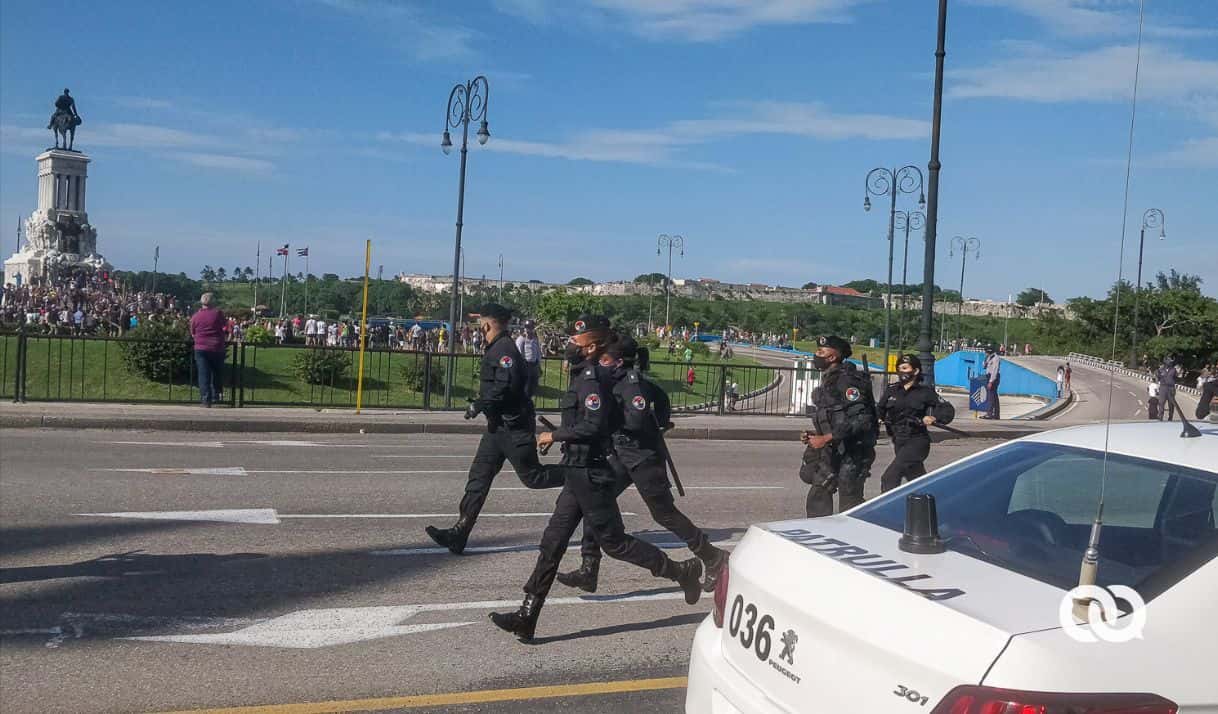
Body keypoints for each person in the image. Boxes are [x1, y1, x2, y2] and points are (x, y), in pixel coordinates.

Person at [489, 316, 703, 642]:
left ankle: (681, 571)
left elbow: (595, 426)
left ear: (590, 346)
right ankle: (527, 615)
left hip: (591, 473)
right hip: (576, 472)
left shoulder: (592, 380)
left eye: (577, 340)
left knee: (614, 543)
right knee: (553, 542)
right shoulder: (583, 377)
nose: (570, 344)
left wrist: (554, 436)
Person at [555, 336, 728, 595]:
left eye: (605, 359)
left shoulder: (631, 383)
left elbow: (637, 418)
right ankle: (589, 567)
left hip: (643, 458)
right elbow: (659, 398)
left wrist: (651, 422)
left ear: (618, 362)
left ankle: (712, 556)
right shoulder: (612, 382)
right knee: (596, 502)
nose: (601, 364)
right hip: (622, 457)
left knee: (664, 514)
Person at [425, 304, 560, 555]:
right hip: (497, 428)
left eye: (480, 323)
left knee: (533, 477)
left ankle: (581, 475)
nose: (479, 327)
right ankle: (460, 532)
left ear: (486, 325)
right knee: (478, 477)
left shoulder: (505, 349)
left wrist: (481, 403)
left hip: (514, 426)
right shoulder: (497, 347)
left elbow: (506, 386)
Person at [800, 335, 877, 517]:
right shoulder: (830, 380)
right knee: (819, 493)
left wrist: (826, 438)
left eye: (821, 351)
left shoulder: (847, 381)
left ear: (833, 356)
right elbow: (834, 417)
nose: (816, 355)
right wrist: (815, 435)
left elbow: (862, 419)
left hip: (853, 451)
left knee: (849, 502)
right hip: (833, 449)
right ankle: (817, 536)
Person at [877, 355, 955, 493]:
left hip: (917, 441)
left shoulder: (925, 392)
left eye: (905, 368)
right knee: (916, 480)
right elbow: (879, 410)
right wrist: (877, 418)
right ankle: (932, 504)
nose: (902, 372)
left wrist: (933, 417)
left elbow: (947, 410)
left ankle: (887, 510)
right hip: (898, 440)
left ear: (916, 371)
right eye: (899, 369)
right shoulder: (892, 390)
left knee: (890, 477)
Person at [189, 292, 227, 407]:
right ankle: (216, 396)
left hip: (200, 347)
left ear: (201, 302)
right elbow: (224, 326)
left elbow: (192, 332)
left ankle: (206, 399)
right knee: (217, 373)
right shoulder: (218, 313)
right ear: (213, 302)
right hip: (216, 347)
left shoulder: (195, 316)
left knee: (203, 374)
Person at [515, 319, 542, 399]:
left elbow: (537, 352)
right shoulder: (521, 339)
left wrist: (539, 365)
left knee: (533, 386)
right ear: (525, 328)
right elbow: (519, 353)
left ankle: (528, 401)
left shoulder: (535, 339)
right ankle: (524, 404)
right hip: (526, 365)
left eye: (531, 327)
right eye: (527, 327)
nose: (529, 329)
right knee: (526, 386)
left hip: (534, 365)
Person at [980, 345, 1001, 419]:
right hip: (988, 376)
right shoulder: (989, 357)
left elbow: (995, 370)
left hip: (993, 378)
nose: (985, 353)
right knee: (993, 396)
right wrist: (985, 359)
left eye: (986, 352)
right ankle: (995, 415)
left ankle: (990, 413)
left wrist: (991, 381)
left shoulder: (996, 358)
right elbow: (984, 366)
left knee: (991, 396)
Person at [1156, 355, 1178, 422]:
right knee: (1161, 403)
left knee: (1171, 404)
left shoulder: (1174, 370)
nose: (1170, 363)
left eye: (1170, 362)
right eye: (1168, 361)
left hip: (1171, 388)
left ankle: (1170, 418)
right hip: (1163, 388)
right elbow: (1158, 378)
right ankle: (1160, 417)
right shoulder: (1160, 370)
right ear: (1165, 362)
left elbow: (1176, 378)